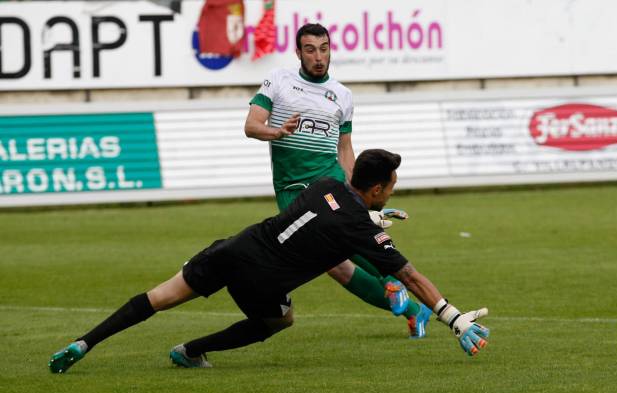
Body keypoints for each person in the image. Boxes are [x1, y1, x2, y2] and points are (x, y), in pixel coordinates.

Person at [48, 149, 490, 373]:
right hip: (261, 280)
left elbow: (330, 213)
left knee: (157, 297)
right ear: (376, 189)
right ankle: (190, 351)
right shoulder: (360, 228)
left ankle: (84, 343)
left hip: (233, 247)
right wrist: (455, 320)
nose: (393, 190)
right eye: (389, 187)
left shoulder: (324, 184)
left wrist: (373, 216)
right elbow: (410, 275)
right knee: (279, 321)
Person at [243, 23, 430, 338]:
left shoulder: (342, 96)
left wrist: (358, 193)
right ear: (299, 52)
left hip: (329, 183)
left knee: (341, 251)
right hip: (291, 190)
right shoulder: (279, 81)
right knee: (335, 265)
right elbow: (251, 125)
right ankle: (414, 310)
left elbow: (345, 149)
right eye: (311, 49)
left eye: (324, 48)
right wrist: (276, 132)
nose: (319, 57)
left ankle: (395, 286)